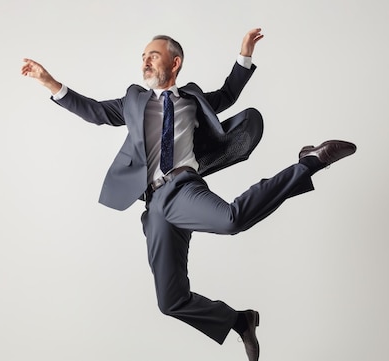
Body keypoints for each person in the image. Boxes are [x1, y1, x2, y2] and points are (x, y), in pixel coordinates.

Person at [21, 28, 356, 361]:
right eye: (142, 57)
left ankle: (310, 161)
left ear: (175, 62)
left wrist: (244, 55)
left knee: (231, 219)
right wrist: (50, 82)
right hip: (154, 205)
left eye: (152, 55)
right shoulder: (134, 100)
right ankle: (240, 321)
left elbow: (229, 93)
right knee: (171, 301)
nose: (145, 63)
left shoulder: (193, 99)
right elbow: (93, 110)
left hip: (182, 187)